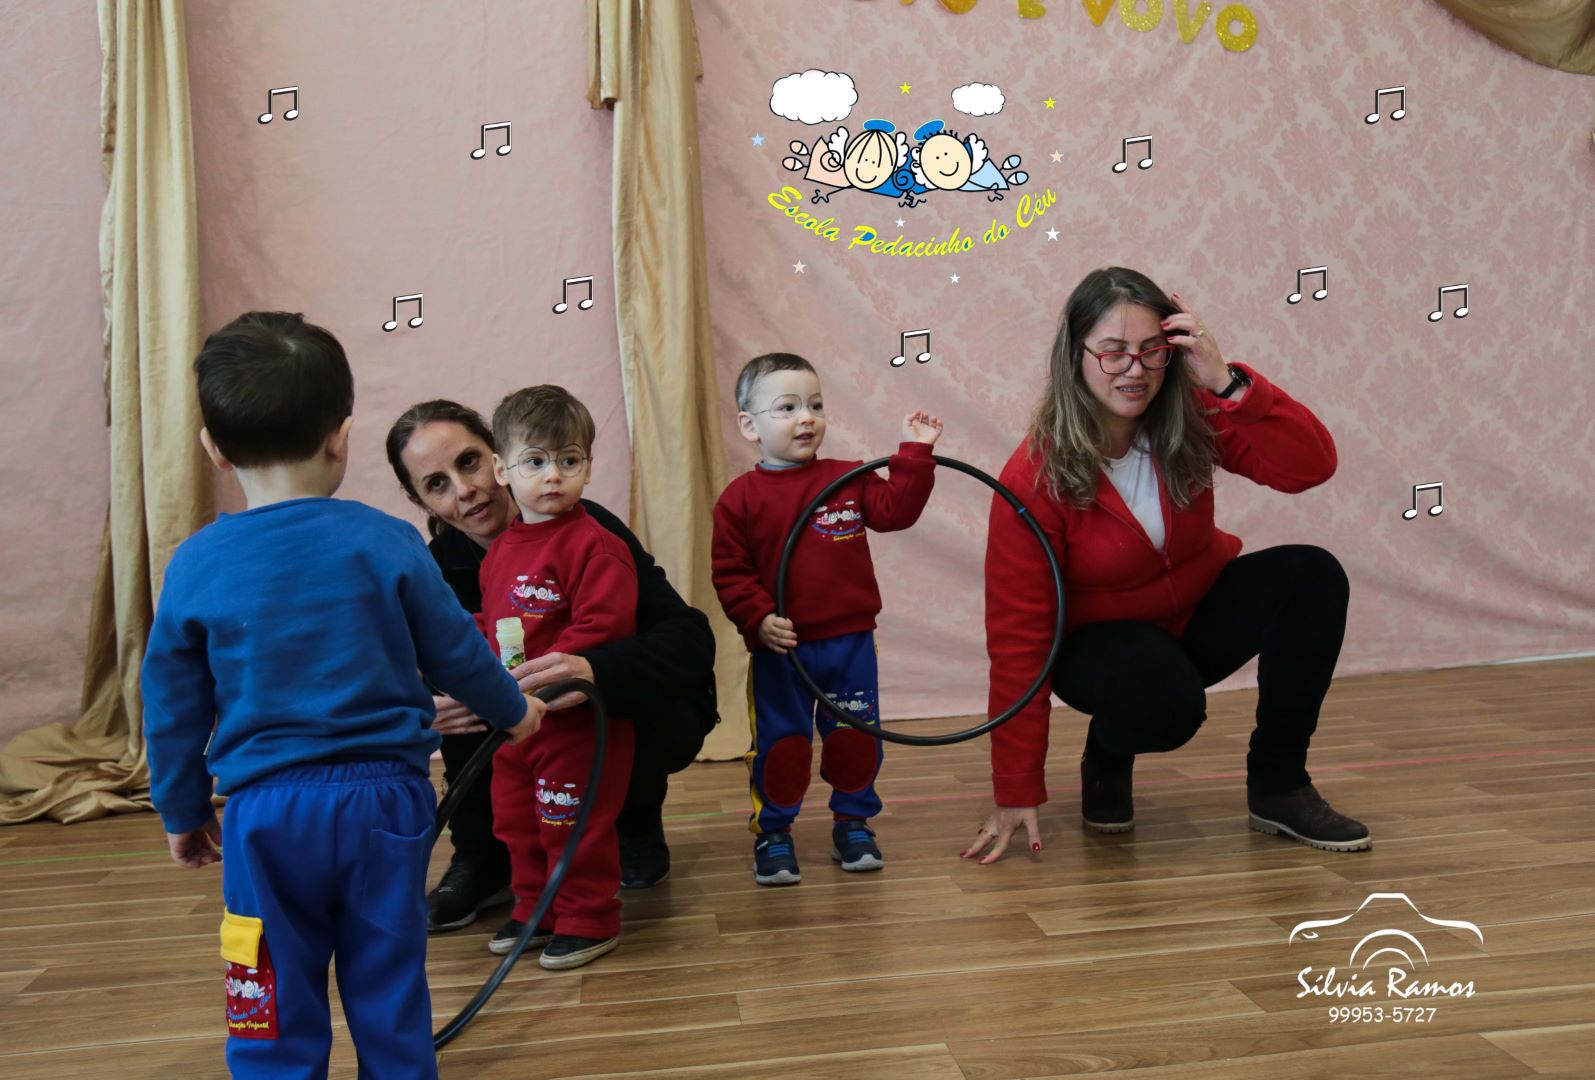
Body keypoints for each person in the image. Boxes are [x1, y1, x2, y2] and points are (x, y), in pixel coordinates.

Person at [142, 312, 542, 1078]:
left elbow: (171, 706)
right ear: (340, 437)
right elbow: (458, 651)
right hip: (385, 805)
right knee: (388, 986)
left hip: (265, 818)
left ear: (214, 449)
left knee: (264, 990)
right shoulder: (386, 540)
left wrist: (182, 810)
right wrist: (515, 710)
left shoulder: (195, 563)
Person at [965, 267, 1369, 865]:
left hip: (1193, 618)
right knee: (1170, 704)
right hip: (1100, 651)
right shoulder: (1032, 478)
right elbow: (1017, 640)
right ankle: (1108, 751)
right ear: (1076, 356)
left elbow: (1310, 467)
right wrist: (1016, 787)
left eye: (1152, 350)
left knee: (1312, 575)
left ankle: (1279, 786)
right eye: (1113, 352)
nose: (1135, 369)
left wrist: (1227, 382)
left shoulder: (1193, 414)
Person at [385, 400, 717, 935]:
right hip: (517, 736)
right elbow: (410, 654)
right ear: (418, 500)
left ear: (497, 459)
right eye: (437, 484)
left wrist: (594, 669)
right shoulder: (435, 566)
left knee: (618, 712)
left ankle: (630, 820)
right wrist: (425, 701)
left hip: (596, 719)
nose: (464, 490)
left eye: (468, 463)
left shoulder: (586, 529)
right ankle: (485, 857)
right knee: (464, 707)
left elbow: (688, 638)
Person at [711, 352, 942, 885]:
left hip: (850, 644)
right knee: (782, 744)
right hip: (783, 651)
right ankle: (774, 832)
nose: (806, 418)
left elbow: (896, 511)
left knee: (854, 737)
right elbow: (730, 573)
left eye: (815, 405)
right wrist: (758, 618)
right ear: (749, 425)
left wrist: (915, 452)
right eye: (787, 407)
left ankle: (853, 823)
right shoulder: (739, 500)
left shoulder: (847, 478)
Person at [464, 384, 641, 970]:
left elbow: (602, 630)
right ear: (502, 470)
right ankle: (535, 909)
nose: (553, 475)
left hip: (575, 726)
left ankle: (589, 917)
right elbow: (495, 624)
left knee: (571, 822)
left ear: (587, 466)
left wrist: (549, 682)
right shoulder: (500, 552)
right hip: (516, 724)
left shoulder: (597, 547)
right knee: (517, 821)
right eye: (535, 461)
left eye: (569, 460)